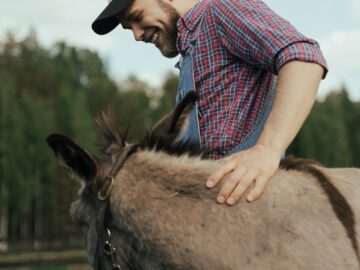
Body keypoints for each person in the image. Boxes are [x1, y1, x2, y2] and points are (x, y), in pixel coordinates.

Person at [92, 0, 328, 205]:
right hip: (211, 216)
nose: (136, 35)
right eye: (128, 28)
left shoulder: (221, 11)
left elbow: (303, 57)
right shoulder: (190, 50)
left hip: (248, 209)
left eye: (137, 18)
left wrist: (268, 149)